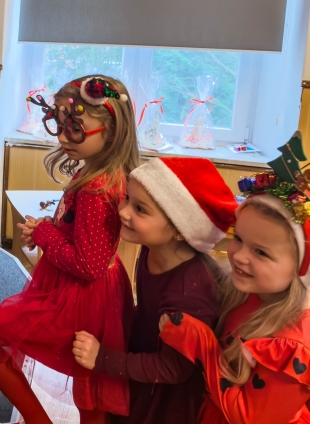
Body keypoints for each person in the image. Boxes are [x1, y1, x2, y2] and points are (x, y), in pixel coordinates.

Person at [0, 76, 139, 424]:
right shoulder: (101, 173)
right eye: (59, 127)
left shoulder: (95, 188)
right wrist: (53, 228)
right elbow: (86, 239)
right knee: (91, 390)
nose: (62, 138)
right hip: (95, 292)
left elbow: (88, 265)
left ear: (111, 131)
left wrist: (46, 233)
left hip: (81, 298)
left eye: (74, 129)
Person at [72, 157, 238, 423]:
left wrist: (102, 358)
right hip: (143, 368)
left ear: (180, 230)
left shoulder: (188, 294)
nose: (123, 211)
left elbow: (173, 368)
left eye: (140, 209)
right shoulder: (152, 249)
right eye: (127, 198)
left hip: (165, 400)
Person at [158, 190, 310, 424]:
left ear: (301, 269)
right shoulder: (246, 290)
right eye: (238, 238)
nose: (239, 256)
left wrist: (201, 342)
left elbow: (248, 417)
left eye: (261, 252)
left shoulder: (292, 345)